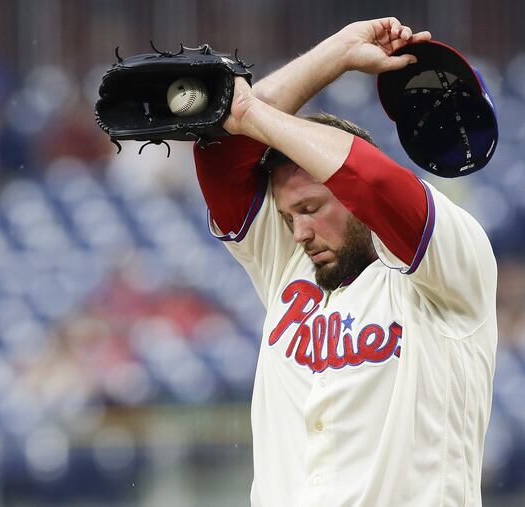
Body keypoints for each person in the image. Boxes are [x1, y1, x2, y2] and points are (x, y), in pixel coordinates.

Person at [193, 17, 498, 507]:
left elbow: (373, 181)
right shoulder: (290, 262)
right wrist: (337, 53)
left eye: (311, 208)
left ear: (351, 198)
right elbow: (224, 150)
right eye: (289, 214)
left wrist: (248, 109)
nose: (298, 231)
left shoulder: (451, 260)